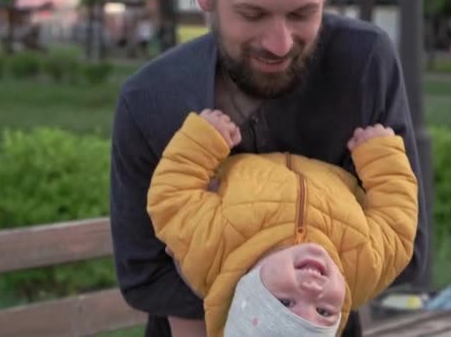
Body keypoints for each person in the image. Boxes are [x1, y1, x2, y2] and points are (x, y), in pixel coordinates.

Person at [109, 0, 429, 336]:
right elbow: (145, 275)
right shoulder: (151, 100)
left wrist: (208, 253)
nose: (280, 44)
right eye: (252, 14)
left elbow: (408, 253)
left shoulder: (362, 60)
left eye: (302, 14)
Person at [145, 109, 419, 336]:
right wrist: (380, 156)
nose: (312, 290)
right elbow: (397, 222)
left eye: (285, 302)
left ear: (247, 294)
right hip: (329, 143)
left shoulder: (210, 248)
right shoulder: (363, 268)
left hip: (249, 140)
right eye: (324, 312)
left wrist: (205, 139)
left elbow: (171, 196)